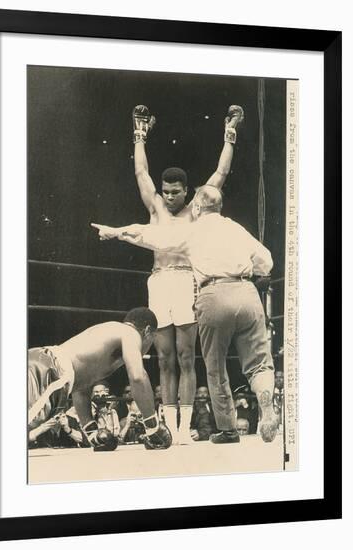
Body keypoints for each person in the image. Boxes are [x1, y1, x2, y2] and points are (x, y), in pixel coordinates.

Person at [91, 185, 278, 443]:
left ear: (198, 207)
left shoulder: (192, 230)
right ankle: (265, 396)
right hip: (247, 292)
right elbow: (266, 261)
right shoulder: (236, 228)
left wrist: (117, 233)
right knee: (259, 362)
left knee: (215, 367)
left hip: (214, 293)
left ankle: (228, 429)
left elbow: (150, 235)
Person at [130, 104, 244, 444]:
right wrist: (139, 135)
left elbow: (221, 174)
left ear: (186, 191)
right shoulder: (155, 207)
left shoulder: (197, 208)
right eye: (165, 191)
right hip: (158, 282)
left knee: (185, 356)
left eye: (174, 192)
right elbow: (140, 172)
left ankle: (183, 429)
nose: (168, 196)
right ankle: (168, 427)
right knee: (164, 358)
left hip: (185, 281)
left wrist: (230, 133)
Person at [27, 307, 172, 451]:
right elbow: (138, 377)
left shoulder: (108, 336)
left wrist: (92, 432)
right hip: (50, 371)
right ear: (147, 331)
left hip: (44, 363)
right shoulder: (130, 334)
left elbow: (80, 389)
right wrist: (153, 426)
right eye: (152, 341)